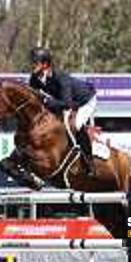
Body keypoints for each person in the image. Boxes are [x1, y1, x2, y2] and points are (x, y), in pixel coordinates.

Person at [28, 47, 97, 176]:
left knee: (75, 124)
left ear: (45, 64)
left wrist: (47, 102)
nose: (32, 65)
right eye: (32, 62)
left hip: (85, 100)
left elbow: (67, 104)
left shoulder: (61, 78)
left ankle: (89, 162)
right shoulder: (34, 78)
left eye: (35, 62)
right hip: (63, 101)